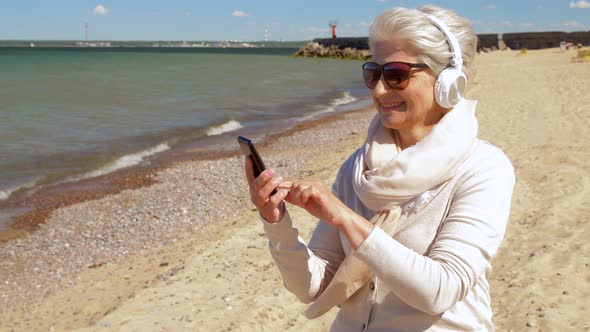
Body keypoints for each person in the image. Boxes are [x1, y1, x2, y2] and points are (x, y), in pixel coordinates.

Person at [244, 5, 515, 331]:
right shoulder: (357, 168)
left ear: (447, 82)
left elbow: (441, 290)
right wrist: (276, 223)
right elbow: (312, 287)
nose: (379, 90)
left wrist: (345, 219)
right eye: (373, 73)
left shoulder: (482, 168)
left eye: (397, 75)